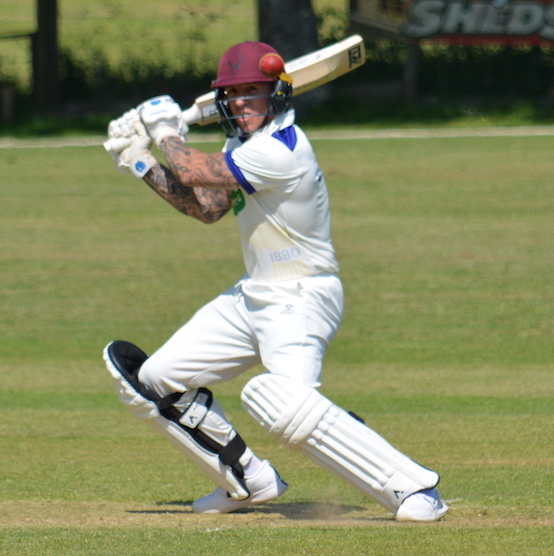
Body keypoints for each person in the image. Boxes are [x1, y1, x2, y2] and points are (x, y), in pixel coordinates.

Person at [100, 41, 448, 522]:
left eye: (253, 92)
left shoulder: (282, 148)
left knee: (282, 405)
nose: (242, 102)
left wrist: (165, 130)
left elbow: (193, 168)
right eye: (234, 93)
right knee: (158, 380)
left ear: (277, 95)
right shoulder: (240, 146)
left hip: (302, 295)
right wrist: (138, 161)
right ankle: (246, 479)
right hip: (253, 294)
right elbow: (206, 207)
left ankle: (415, 489)